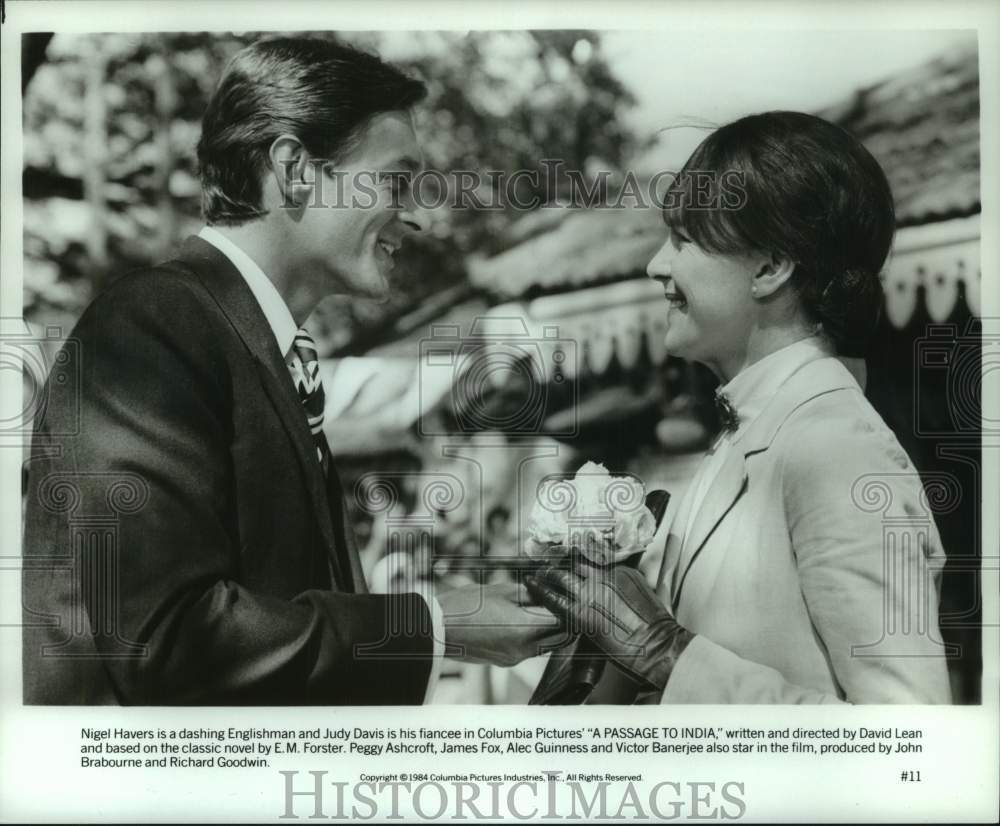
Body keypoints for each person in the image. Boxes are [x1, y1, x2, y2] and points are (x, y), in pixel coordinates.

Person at [22, 37, 558, 705]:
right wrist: (432, 624)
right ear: (296, 169)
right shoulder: (153, 327)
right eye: (396, 180)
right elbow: (167, 640)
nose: (415, 216)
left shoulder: (247, 340)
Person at [528, 111, 952, 704]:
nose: (656, 266)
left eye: (684, 239)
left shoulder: (837, 448)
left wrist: (667, 655)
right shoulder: (750, 431)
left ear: (770, 266)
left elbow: (912, 744)